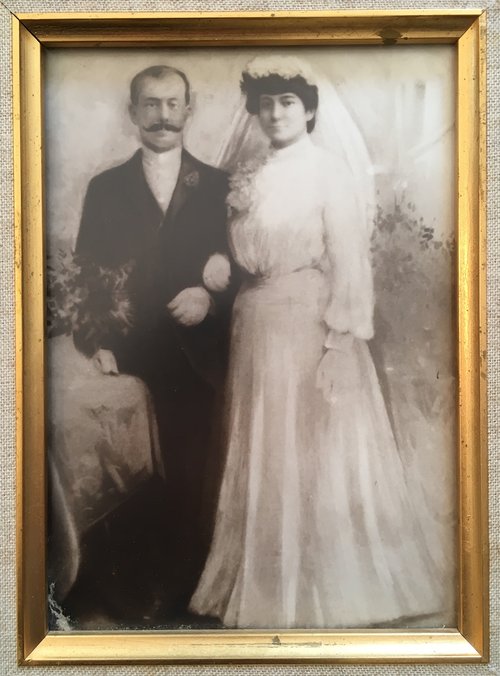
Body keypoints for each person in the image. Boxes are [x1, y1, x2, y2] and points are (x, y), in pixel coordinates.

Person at [189, 56, 447, 629]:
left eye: (288, 102)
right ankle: (263, 584)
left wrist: (339, 345)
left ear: (308, 110)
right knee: (264, 447)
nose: (276, 113)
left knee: (311, 451)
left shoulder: (329, 171)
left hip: (308, 323)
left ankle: (324, 588)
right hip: (254, 326)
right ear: (254, 110)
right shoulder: (247, 173)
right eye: (266, 102)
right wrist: (215, 262)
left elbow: (351, 264)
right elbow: (231, 251)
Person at [73, 65, 233, 621]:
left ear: (189, 111)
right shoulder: (106, 187)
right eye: (151, 104)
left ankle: (185, 595)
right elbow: (86, 275)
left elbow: (246, 269)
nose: (163, 116)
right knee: (132, 473)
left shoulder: (219, 185)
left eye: (173, 104)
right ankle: (131, 590)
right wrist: (97, 341)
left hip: (198, 358)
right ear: (132, 112)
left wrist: (210, 299)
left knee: (191, 472)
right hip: (132, 354)